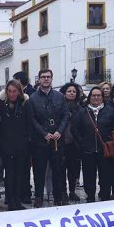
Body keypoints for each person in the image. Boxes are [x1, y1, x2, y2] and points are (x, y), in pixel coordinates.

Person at [27, 69, 70, 207]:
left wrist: (59, 131)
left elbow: (65, 115)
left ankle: (58, 197)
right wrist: (43, 133)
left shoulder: (60, 97)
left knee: (58, 170)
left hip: (57, 140)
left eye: (48, 77)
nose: (46, 79)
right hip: (40, 141)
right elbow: (31, 119)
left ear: (52, 79)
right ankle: (39, 196)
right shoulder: (32, 99)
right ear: (38, 79)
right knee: (39, 170)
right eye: (43, 77)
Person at [71, 87, 114, 203]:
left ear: (102, 97)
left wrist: (111, 141)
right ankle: (90, 196)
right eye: (93, 95)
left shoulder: (110, 110)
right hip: (87, 150)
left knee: (106, 175)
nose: (96, 98)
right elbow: (75, 129)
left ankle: (105, 196)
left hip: (104, 149)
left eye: (98, 95)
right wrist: (82, 142)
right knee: (88, 176)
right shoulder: (82, 111)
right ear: (89, 97)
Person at [0, 80, 30, 211]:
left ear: (19, 91)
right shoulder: (0, 105)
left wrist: (27, 141)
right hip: (6, 145)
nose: (12, 94)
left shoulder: (25, 104)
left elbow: (28, 123)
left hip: (21, 145)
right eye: (9, 91)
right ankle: (10, 201)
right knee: (9, 174)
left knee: (19, 174)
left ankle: (17, 199)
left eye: (14, 91)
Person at [59, 82, 83, 203]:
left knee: (73, 169)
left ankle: (72, 191)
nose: (72, 93)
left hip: (75, 142)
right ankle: (63, 192)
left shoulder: (80, 107)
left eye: (74, 91)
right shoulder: (59, 106)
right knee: (62, 169)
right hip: (62, 141)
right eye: (69, 91)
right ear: (64, 93)